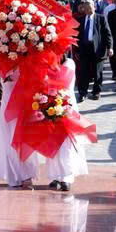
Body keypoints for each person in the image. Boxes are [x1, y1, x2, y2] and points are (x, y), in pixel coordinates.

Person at [45, 57, 90, 192]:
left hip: (66, 107)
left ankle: (67, 177)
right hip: (50, 106)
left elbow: (62, 83)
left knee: (66, 144)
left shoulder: (69, 63)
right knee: (52, 143)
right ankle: (55, 175)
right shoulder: (47, 63)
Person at [0, 68, 40, 189]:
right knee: (9, 140)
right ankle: (13, 175)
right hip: (7, 103)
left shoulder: (28, 60)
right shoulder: (1, 59)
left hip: (24, 102)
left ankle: (27, 175)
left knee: (23, 138)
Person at [75, 0, 112, 102]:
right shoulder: (81, 20)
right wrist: (77, 50)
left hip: (98, 49)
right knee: (83, 72)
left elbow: (107, 34)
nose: (87, 10)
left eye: (89, 7)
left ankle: (96, 92)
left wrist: (110, 48)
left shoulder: (101, 18)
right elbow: (78, 36)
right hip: (84, 49)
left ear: (94, 7)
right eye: (85, 8)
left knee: (97, 73)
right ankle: (83, 93)